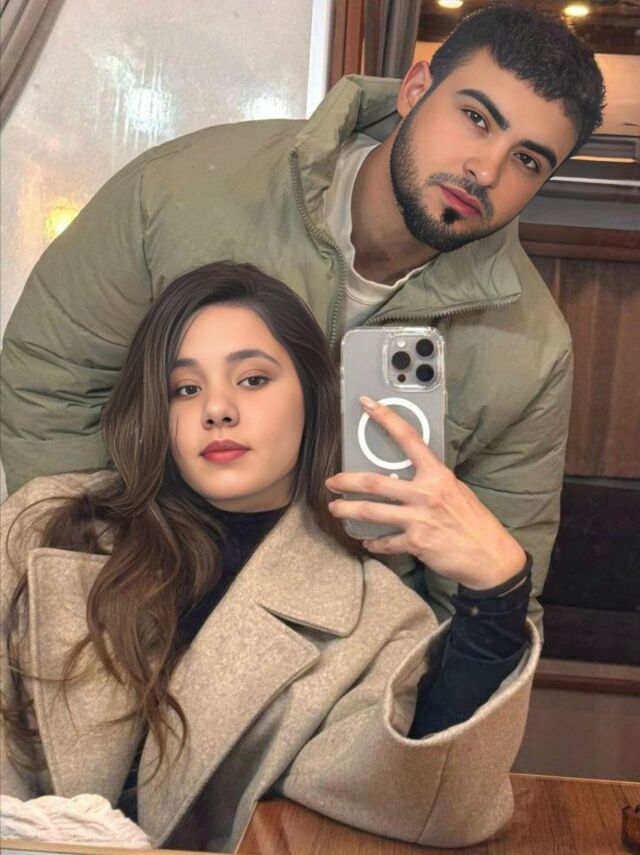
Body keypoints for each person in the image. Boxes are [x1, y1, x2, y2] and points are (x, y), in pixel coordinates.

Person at [0, 5, 606, 627]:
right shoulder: (179, 192)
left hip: (351, 648)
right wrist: (91, 573)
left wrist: (396, 672)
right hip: (140, 588)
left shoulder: (531, 350)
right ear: (415, 89)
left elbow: (492, 572)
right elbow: (52, 381)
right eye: (475, 118)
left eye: (528, 160)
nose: (486, 170)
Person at [1, 263, 537, 852]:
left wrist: (497, 597)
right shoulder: (41, 530)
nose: (217, 409)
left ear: (313, 396)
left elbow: (425, 804)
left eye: (253, 379)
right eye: (186, 389)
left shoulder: (375, 619)